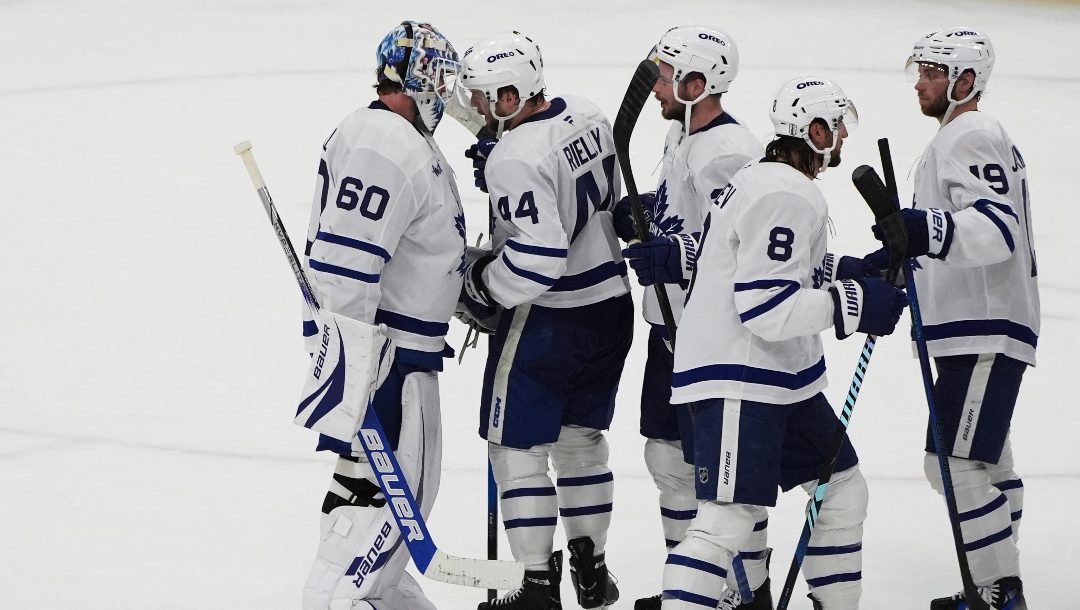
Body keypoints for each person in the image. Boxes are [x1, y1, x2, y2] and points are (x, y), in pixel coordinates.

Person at [648, 77, 908, 610]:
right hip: (742, 377)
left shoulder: (762, 181)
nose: (841, 138)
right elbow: (765, 306)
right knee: (728, 519)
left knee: (840, 489)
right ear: (813, 132)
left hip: (777, 380)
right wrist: (853, 306)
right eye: (836, 127)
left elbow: (777, 267)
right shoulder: (788, 192)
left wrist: (857, 271)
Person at [457, 30, 633, 610]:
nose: (480, 107)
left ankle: (535, 585)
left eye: (486, 97)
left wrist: (484, 288)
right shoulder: (586, 113)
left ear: (512, 95)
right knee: (582, 441)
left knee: (515, 450)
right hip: (610, 306)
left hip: (549, 320)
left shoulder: (515, 156)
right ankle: (591, 570)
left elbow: (538, 259)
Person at [297, 20, 466, 610]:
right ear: (416, 76)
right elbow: (346, 266)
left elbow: (416, 250)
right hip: (385, 360)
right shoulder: (382, 142)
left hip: (393, 357)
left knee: (383, 518)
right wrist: (353, 370)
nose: (445, 90)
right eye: (439, 76)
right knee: (379, 512)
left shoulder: (397, 137)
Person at [612, 25, 770, 610]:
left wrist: (676, 253)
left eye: (666, 77)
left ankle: (744, 594)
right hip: (670, 329)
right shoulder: (685, 137)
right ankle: (696, 586)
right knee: (667, 456)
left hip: (713, 338)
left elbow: (744, 244)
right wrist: (649, 213)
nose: (655, 87)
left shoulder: (730, 152)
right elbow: (690, 214)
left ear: (698, 83)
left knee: (721, 475)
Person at [901, 27, 1038, 610]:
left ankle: (998, 591)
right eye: (922, 70)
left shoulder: (969, 133)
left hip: (983, 327)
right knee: (986, 460)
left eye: (933, 72)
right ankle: (997, 581)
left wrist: (927, 231)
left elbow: (998, 229)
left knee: (951, 463)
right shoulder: (961, 137)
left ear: (965, 81)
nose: (921, 82)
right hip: (978, 325)